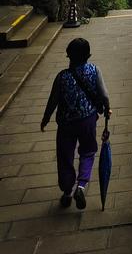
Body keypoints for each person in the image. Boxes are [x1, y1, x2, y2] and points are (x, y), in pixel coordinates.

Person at [40, 37, 111, 209]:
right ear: (89, 55)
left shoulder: (62, 77)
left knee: (65, 155)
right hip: (87, 120)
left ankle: (67, 190)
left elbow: (53, 100)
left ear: (69, 56)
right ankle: (81, 185)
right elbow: (104, 95)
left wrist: (46, 118)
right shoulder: (94, 70)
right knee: (88, 151)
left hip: (66, 123)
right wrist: (107, 109)